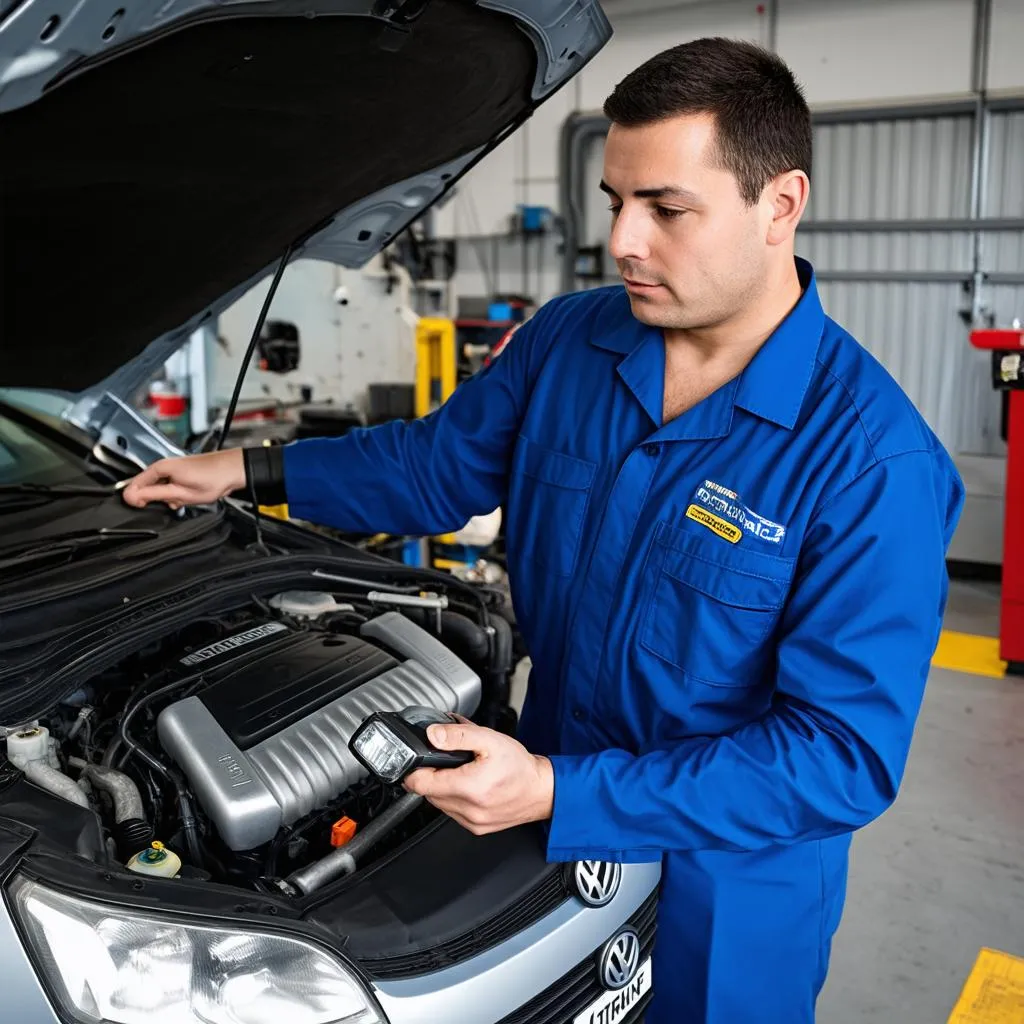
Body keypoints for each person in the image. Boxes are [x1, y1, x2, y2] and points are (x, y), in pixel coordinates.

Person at [123, 37, 965, 1024]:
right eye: (615, 201)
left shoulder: (873, 461)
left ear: (779, 205)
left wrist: (566, 794)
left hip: (726, 900)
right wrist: (247, 469)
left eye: (665, 208)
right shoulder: (573, 341)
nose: (622, 241)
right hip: (534, 828)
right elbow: (431, 468)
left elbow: (838, 754)